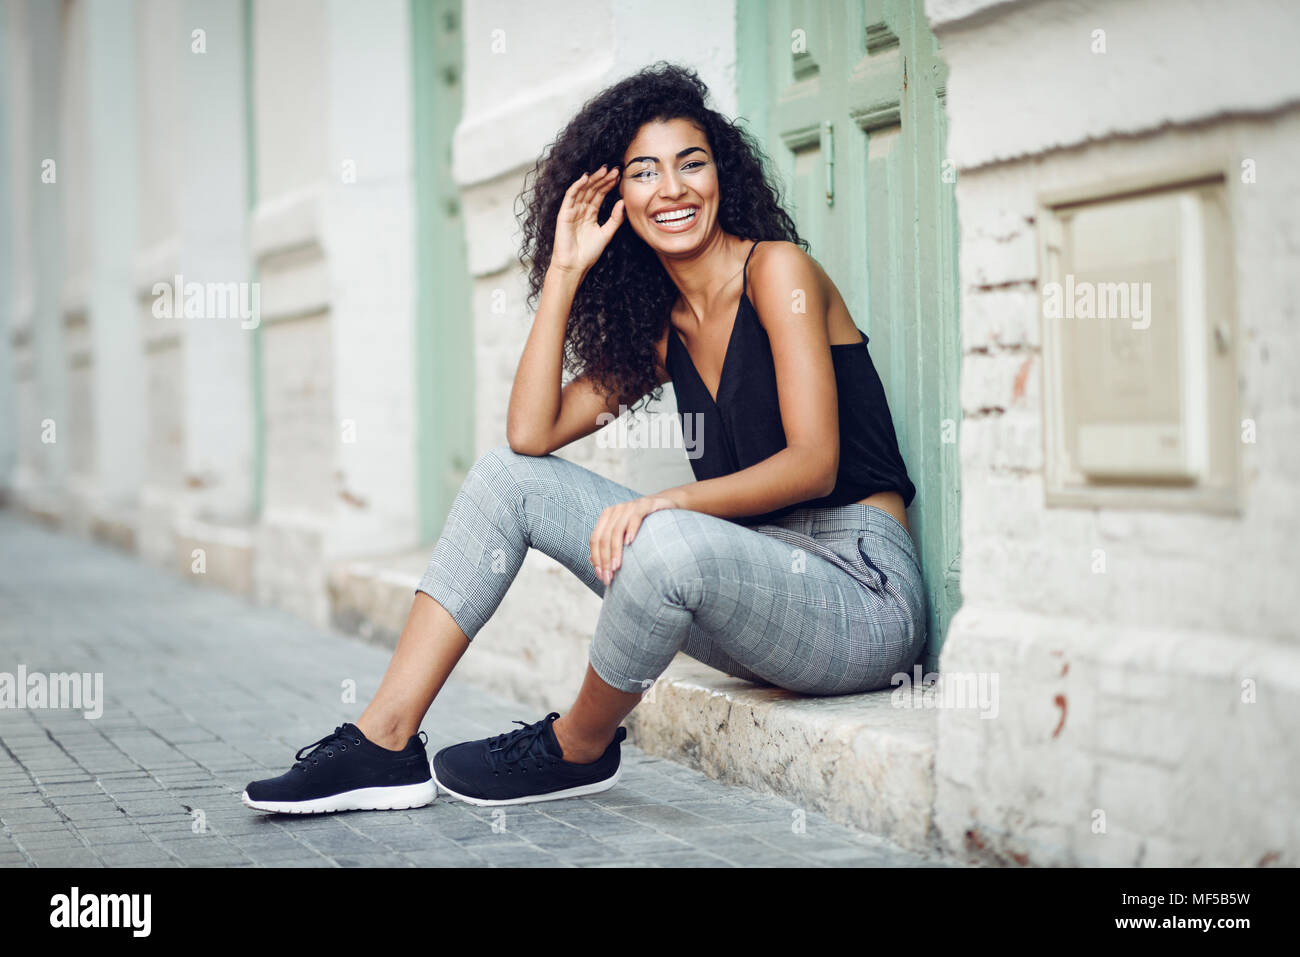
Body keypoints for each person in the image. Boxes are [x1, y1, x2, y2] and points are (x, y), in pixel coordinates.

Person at [242, 61, 926, 814]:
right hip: (756, 590)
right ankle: (384, 742)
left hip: (860, 596)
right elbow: (530, 434)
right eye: (643, 172)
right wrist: (564, 269)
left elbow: (814, 462)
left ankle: (577, 745)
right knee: (509, 477)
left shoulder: (779, 272)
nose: (671, 189)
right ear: (616, 197)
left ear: (722, 175)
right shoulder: (664, 333)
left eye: (691, 163)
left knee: (665, 538)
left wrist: (668, 504)